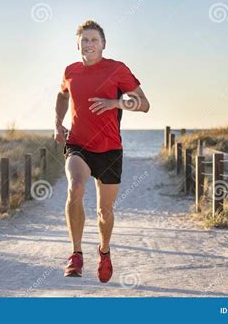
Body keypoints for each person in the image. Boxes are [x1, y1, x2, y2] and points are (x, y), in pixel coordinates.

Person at [54, 19, 150, 283]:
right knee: (75, 187)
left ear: (103, 44)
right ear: (78, 45)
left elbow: (144, 104)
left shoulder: (117, 69)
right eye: (84, 40)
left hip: (109, 149)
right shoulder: (70, 71)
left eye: (94, 40)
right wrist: (57, 123)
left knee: (104, 211)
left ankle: (104, 251)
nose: (89, 44)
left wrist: (115, 102)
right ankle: (76, 254)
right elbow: (63, 95)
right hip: (78, 145)